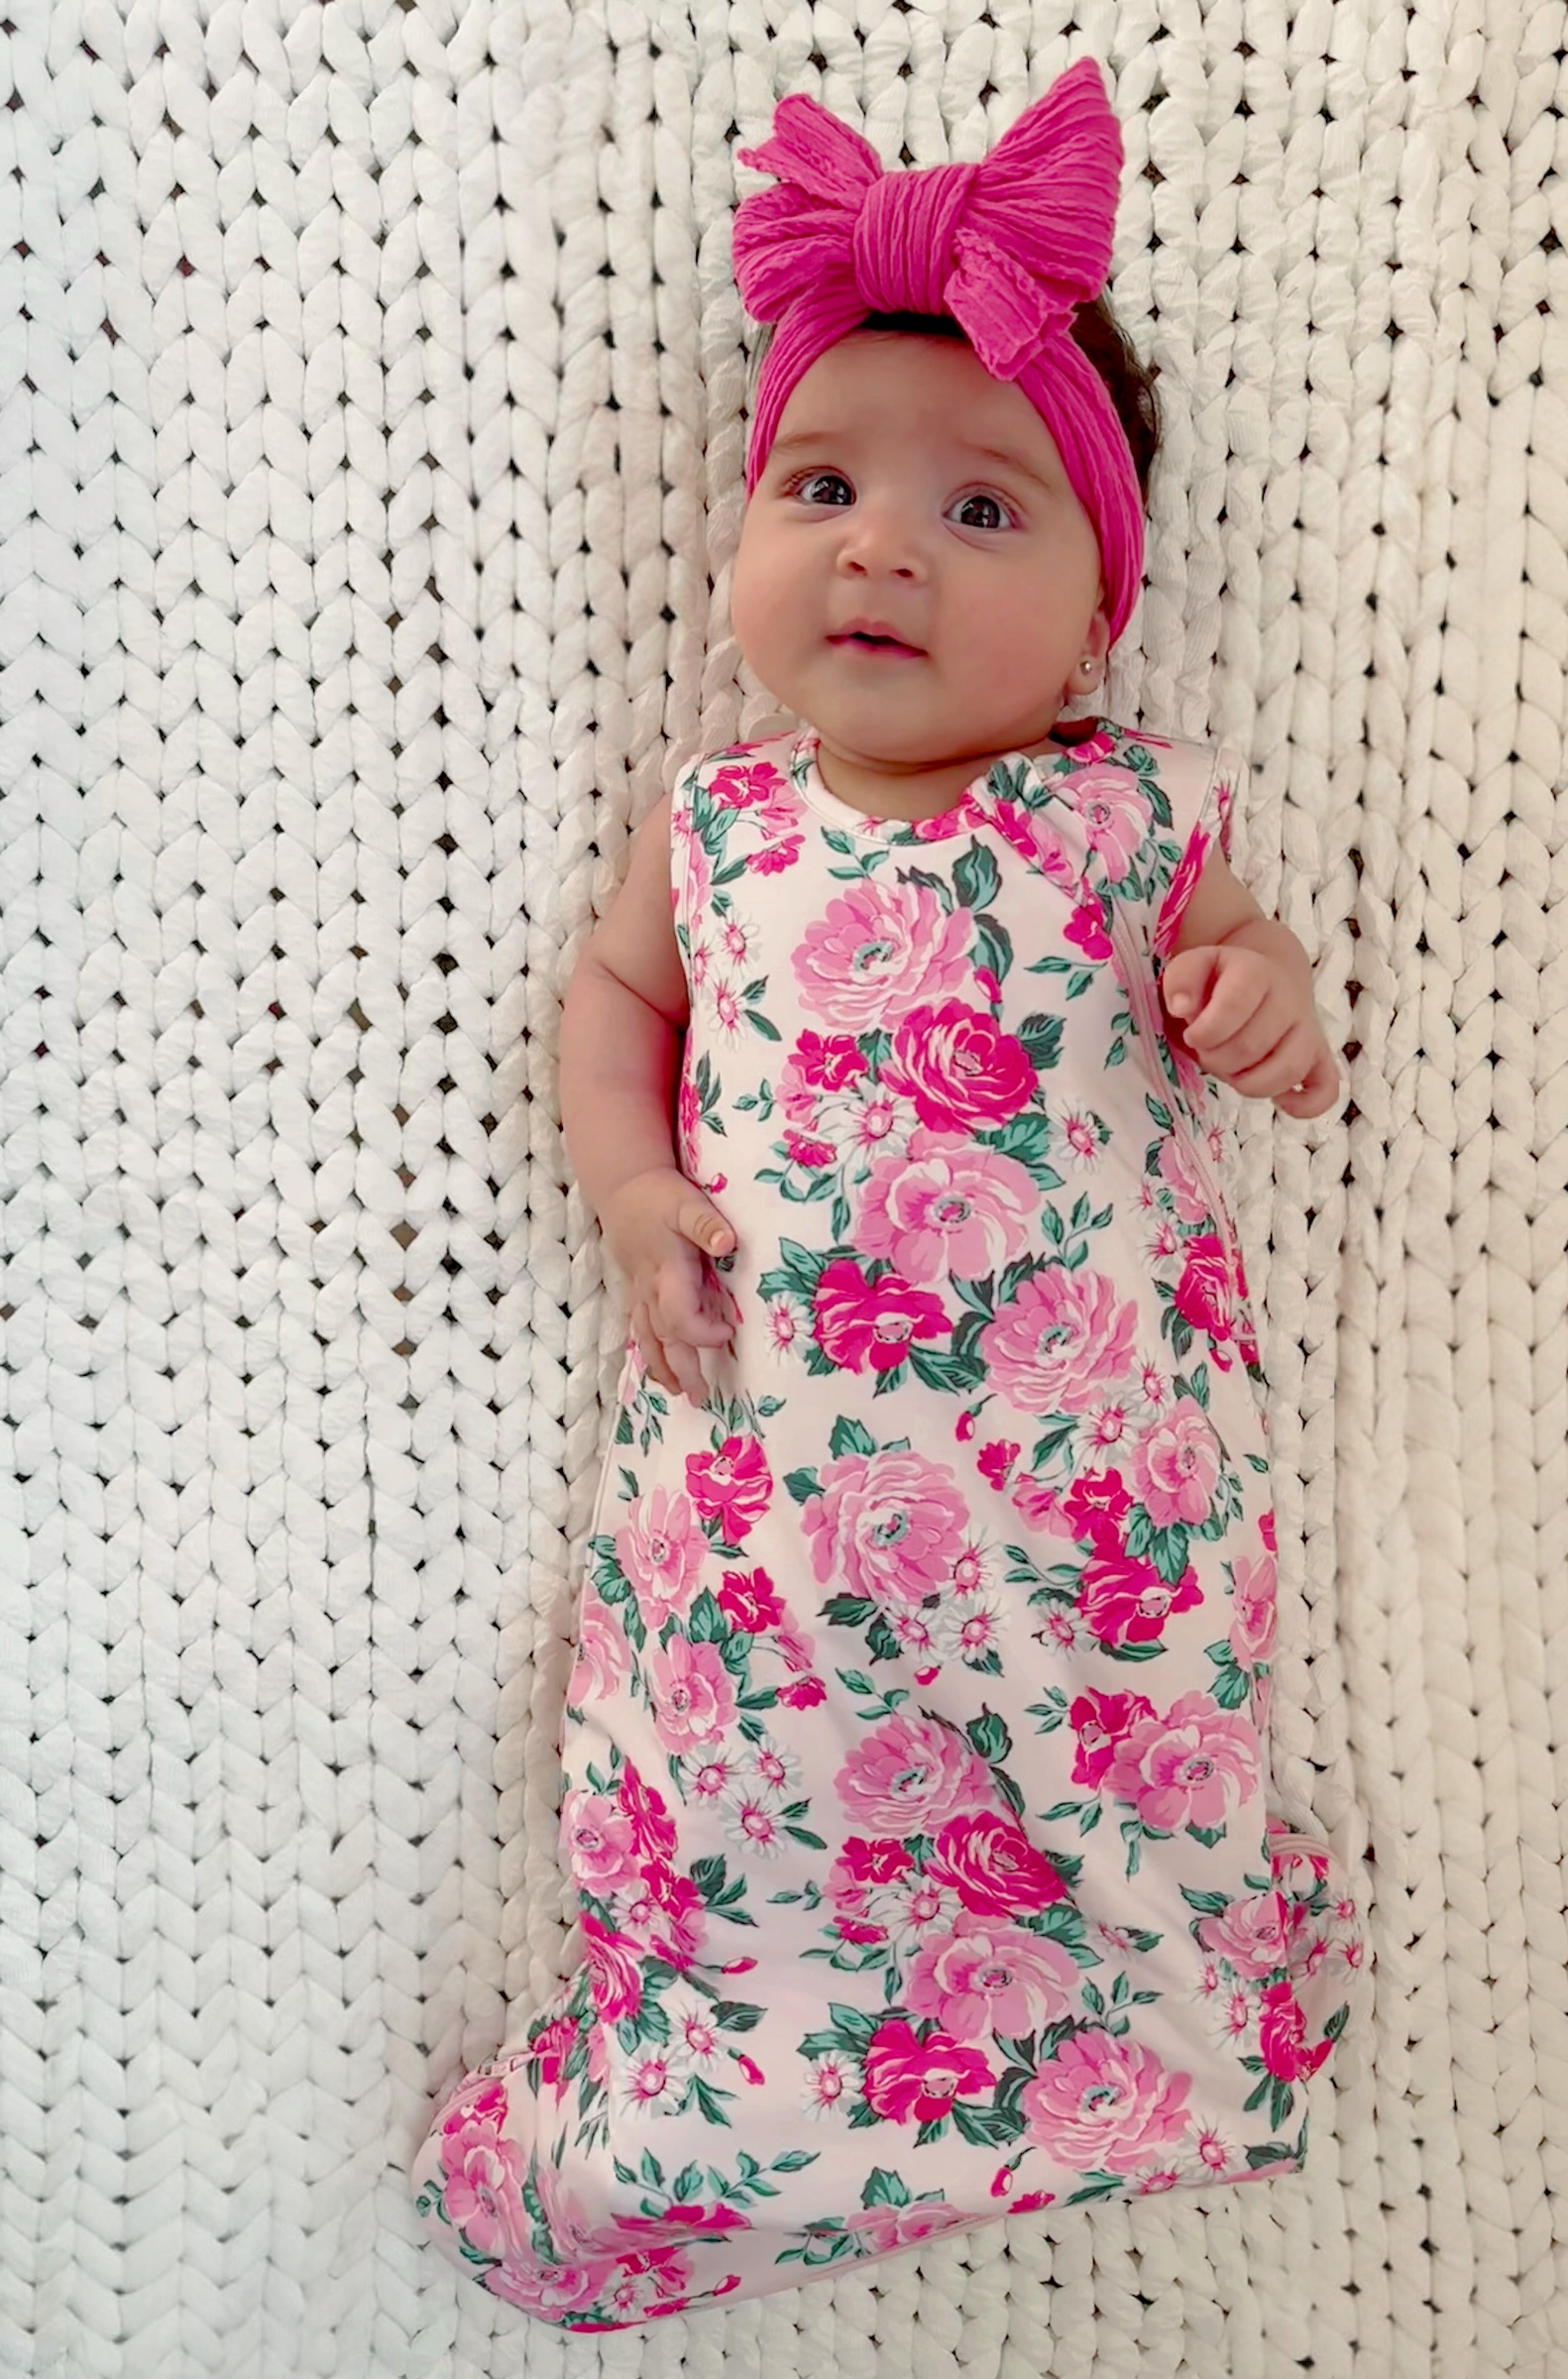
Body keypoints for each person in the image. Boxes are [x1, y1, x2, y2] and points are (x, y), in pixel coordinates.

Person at [412, 58, 1363, 2329]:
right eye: (823, 486)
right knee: (740, 1797)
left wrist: (1261, 999)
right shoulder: (721, 826)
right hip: (767, 1513)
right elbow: (608, 1009)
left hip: (1084, 1529)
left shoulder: (1136, 815)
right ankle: (713, 2086)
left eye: (982, 512)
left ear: (1105, 616)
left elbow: (1274, 983)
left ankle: (1142, 2035)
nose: (877, 548)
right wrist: (640, 1197)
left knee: (1118, 1783)